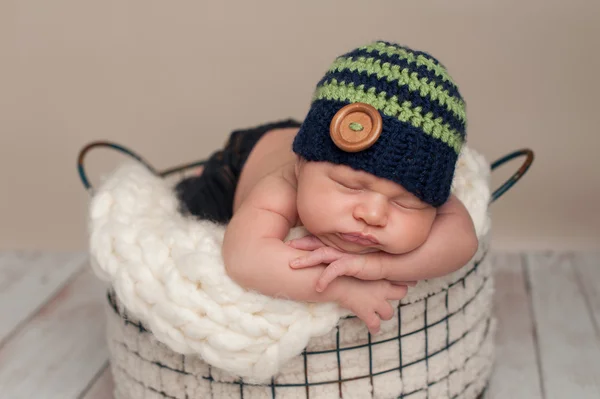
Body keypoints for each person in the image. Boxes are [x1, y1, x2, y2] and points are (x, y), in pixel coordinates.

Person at [175, 41, 478, 335]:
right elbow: (244, 258)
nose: (372, 214)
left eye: (404, 203)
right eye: (349, 186)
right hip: (241, 164)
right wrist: (343, 287)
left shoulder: (418, 176)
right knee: (188, 204)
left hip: (317, 147)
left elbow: (463, 241)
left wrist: (375, 266)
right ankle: (202, 174)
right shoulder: (283, 186)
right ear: (301, 167)